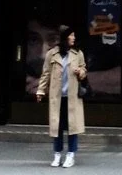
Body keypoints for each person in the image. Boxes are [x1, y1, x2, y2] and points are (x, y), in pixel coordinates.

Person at [37, 25, 87, 168]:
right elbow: (46, 74)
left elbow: (84, 69)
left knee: (73, 127)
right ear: (65, 37)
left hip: (72, 98)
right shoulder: (52, 54)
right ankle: (57, 154)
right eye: (71, 35)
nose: (74, 38)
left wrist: (80, 72)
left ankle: (71, 154)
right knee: (57, 127)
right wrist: (41, 90)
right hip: (57, 97)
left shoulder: (78, 53)